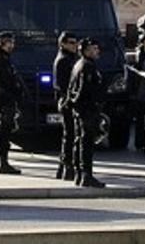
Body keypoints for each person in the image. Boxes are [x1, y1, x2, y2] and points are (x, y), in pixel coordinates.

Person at [68, 38, 106, 188]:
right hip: (87, 109)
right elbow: (84, 89)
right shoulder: (87, 67)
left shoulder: (79, 64)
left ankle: (79, 173)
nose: (97, 51)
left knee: (80, 141)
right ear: (86, 50)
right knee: (86, 143)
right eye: (94, 49)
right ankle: (86, 175)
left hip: (82, 109)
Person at [0, 32, 24, 175]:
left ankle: (1, 161)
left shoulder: (4, 58)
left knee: (2, 131)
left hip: (3, 96)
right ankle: (2, 162)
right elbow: (6, 81)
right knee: (3, 132)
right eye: (9, 43)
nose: (12, 45)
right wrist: (15, 92)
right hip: (3, 98)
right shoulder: (0, 60)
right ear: (3, 43)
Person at [53, 31, 79, 180]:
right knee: (70, 135)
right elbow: (65, 84)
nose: (74, 45)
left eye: (75, 42)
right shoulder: (64, 60)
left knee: (69, 135)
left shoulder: (69, 58)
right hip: (67, 100)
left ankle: (63, 166)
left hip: (66, 100)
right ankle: (67, 166)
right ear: (62, 44)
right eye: (71, 42)